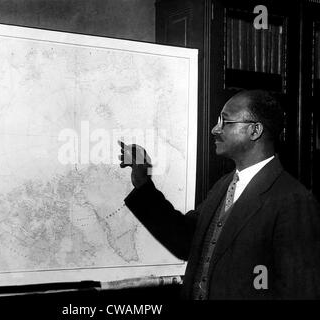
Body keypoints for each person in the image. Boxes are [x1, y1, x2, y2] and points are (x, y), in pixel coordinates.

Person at [118, 89, 320, 299]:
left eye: (225, 121)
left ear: (255, 130)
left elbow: (300, 291)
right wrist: (142, 182)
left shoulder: (294, 201)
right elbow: (185, 240)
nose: (215, 129)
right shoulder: (223, 185)